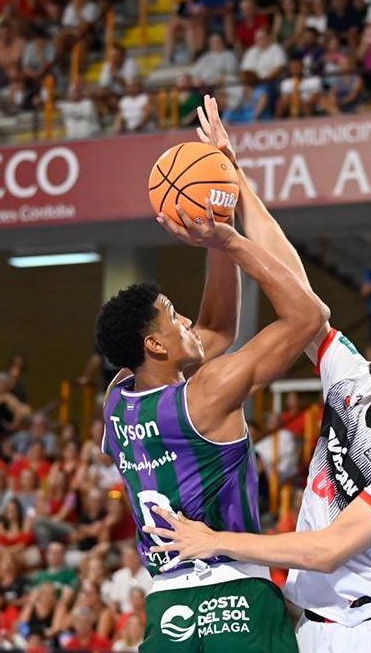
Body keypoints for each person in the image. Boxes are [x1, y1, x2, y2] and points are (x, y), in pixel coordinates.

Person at [145, 96, 371, 651]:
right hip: (312, 628)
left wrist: (214, 541)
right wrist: (236, 183)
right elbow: (303, 298)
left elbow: (326, 550)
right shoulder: (355, 382)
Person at [94, 177, 326, 649]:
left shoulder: (118, 394)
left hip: (167, 602)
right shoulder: (206, 393)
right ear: (155, 344)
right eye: (174, 314)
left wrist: (213, 226)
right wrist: (232, 242)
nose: (186, 320)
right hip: (236, 593)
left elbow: (215, 329)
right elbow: (308, 316)